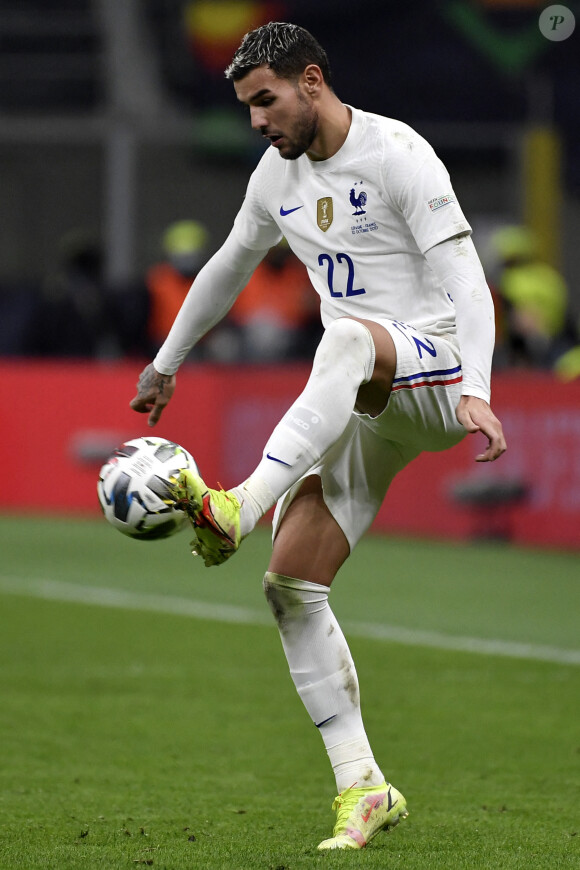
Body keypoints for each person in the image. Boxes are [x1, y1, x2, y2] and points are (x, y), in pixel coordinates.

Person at [130, 22, 506, 851]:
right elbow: (229, 262)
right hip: (366, 397)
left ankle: (237, 505)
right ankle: (363, 785)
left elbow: (469, 283)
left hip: (435, 374)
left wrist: (477, 387)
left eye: (265, 100)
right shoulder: (276, 176)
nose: (257, 120)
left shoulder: (398, 154)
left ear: (310, 81)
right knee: (290, 588)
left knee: (341, 337)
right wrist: (166, 363)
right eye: (246, 107)